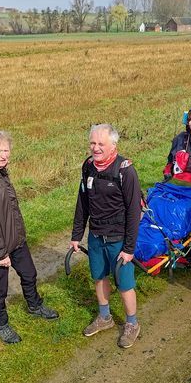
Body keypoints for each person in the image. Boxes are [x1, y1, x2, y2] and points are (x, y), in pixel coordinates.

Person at [0, 130, 59, 344]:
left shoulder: (1, 172)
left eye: (6, 150)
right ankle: (1, 324)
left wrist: (18, 237)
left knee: (29, 274)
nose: (4, 155)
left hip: (16, 240)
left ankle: (35, 306)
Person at [71, 124, 143, 349]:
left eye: (101, 144)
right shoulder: (88, 167)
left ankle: (132, 323)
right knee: (99, 277)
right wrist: (76, 234)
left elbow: (134, 211)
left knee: (124, 284)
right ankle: (105, 318)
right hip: (96, 236)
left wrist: (129, 248)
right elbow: (82, 202)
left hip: (119, 239)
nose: (96, 148)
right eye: (93, 143)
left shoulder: (125, 171)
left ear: (113, 145)